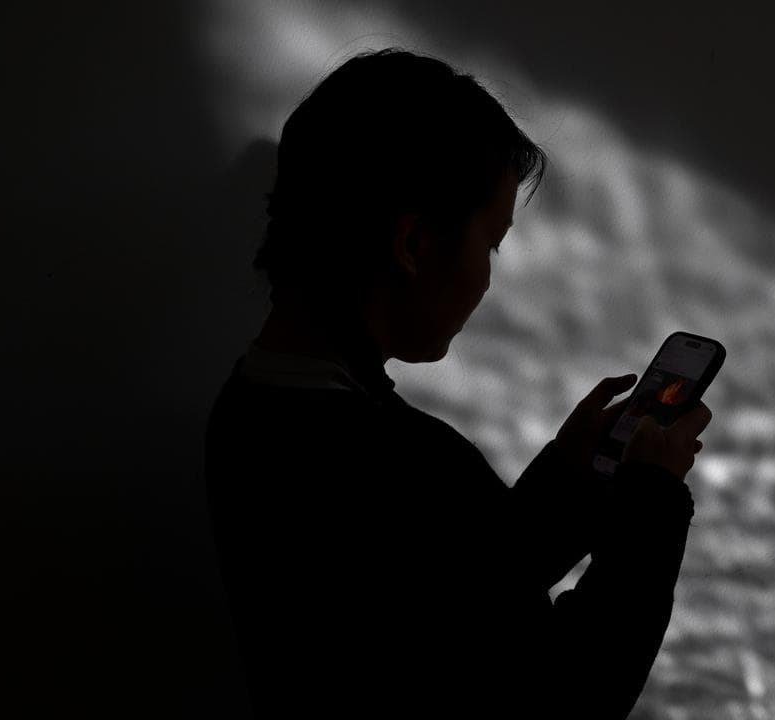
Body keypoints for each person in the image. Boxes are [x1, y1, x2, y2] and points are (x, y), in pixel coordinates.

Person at [203, 47, 713, 719]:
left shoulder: (247, 409)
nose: (487, 277)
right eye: (492, 242)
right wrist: (650, 504)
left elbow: (442, 604)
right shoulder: (409, 465)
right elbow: (568, 696)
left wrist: (569, 476)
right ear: (414, 245)